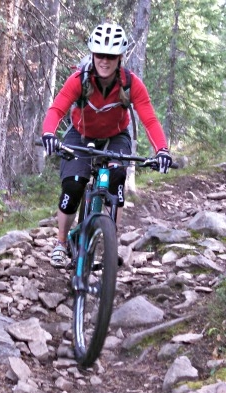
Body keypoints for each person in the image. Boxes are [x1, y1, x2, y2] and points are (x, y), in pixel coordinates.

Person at [41, 23, 172, 268]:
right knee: (73, 186)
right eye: (100, 54)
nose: (105, 60)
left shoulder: (130, 84)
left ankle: (111, 241)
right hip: (80, 135)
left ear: (120, 58)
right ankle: (60, 243)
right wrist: (49, 134)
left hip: (116, 136)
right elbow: (57, 109)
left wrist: (162, 150)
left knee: (116, 178)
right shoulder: (79, 80)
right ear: (92, 54)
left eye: (111, 56)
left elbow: (149, 119)